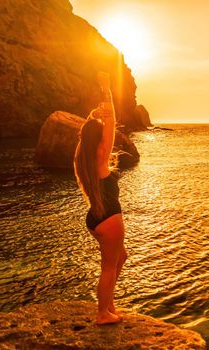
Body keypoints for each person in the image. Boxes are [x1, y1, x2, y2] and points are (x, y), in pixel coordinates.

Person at [73, 72, 127, 325]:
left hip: (95, 218)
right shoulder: (101, 154)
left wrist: (93, 117)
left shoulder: (82, 158)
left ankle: (109, 303)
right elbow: (112, 124)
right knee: (108, 267)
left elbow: (95, 129)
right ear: (99, 140)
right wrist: (107, 93)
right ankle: (102, 313)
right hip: (109, 218)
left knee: (121, 257)